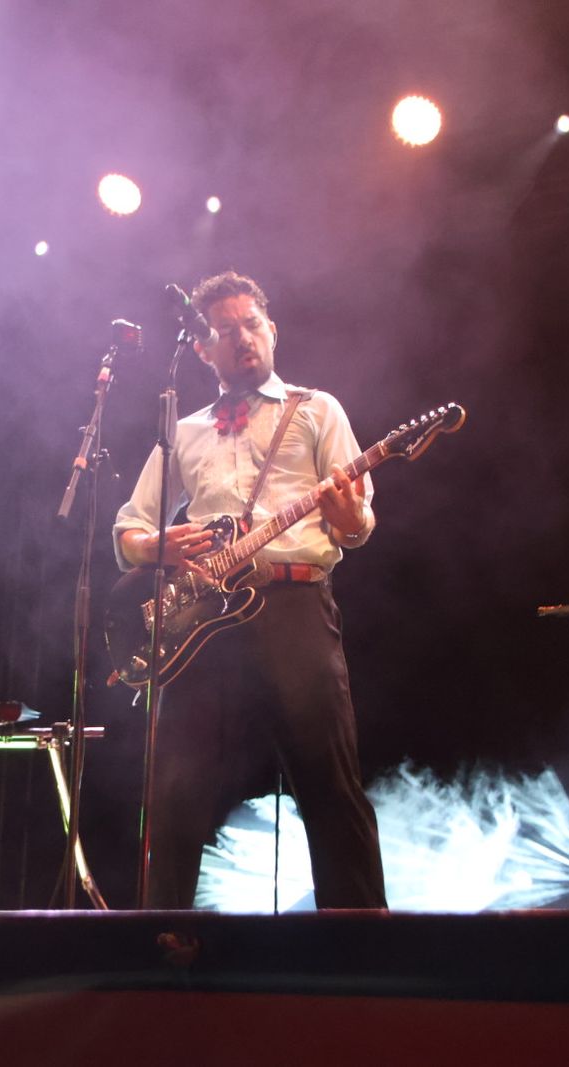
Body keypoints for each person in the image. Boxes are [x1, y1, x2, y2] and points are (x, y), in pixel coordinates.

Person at [114, 270, 387, 910]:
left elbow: (357, 526)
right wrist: (156, 545)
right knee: (178, 785)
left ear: (272, 330)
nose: (243, 338)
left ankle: (364, 944)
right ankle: (164, 938)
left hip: (293, 602)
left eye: (252, 324)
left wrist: (346, 515)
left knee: (328, 779)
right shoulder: (182, 432)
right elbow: (128, 527)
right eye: (225, 330)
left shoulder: (318, 409)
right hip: (203, 619)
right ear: (202, 349)